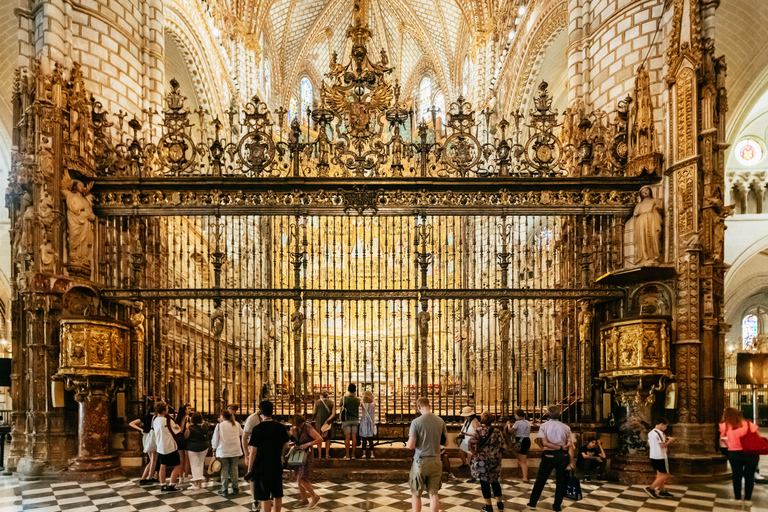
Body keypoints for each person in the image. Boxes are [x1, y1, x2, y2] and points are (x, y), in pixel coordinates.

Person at [526, 405, 575, 512]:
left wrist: (556, 446)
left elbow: (545, 444)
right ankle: (557, 506)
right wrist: (571, 461)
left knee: (541, 480)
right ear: (559, 414)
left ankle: (532, 503)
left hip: (549, 456)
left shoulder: (544, 426)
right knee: (561, 481)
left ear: (547, 414)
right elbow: (570, 445)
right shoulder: (566, 427)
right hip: (563, 456)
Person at [245, 400, 290, 512]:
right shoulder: (280, 427)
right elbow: (287, 445)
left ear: (261, 413)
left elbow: (253, 452)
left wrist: (250, 469)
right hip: (276, 464)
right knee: (277, 494)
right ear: (272, 411)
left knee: (264, 496)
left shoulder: (257, 429)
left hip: (262, 467)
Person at [407, 397, 448, 512]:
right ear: (429, 405)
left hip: (421, 461)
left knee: (416, 493)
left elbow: (411, 445)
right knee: (434, 493)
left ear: (418, 407)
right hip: (436, 460)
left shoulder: (416, 422)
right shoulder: (440, 421)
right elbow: (446, 442)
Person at [719, 408, 759, 503]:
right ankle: (748, 499)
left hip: (734, 452)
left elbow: (723, 440)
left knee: (737, 476)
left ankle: (737, 498)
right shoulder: (749, 424)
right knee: (749, 476)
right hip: (751, 453)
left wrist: (731, 444)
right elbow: (756, 437)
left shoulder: (724, 425)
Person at [469, 411, 505, 512]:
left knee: (484, 482)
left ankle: (488, 506)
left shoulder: (478, 430)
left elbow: (471, 444)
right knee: (495, 480)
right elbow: (503, 446)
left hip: (482, 460)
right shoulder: (497, 431)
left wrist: (474, 453)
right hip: (495, 460)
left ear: (482, 419)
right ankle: (499, 503)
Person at [289, 414, 323, 509]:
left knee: (302, 478)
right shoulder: (296, 429)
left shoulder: (307, 427)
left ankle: (314, 496)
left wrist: (308, 444)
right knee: (298, 477)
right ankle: (304, 499)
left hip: (306, 455)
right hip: (298, 454)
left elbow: (320, 439)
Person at [212, 409, 244, 496]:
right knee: (234, 469)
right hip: (235, 450)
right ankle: (235, 488)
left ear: (222, 417)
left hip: (223, 451)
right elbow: (242, 434)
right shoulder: (236, 424)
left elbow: (215, 440)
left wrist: (214, 450)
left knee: (224, 469)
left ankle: (224, 489)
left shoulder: (220, 426)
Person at [153, 401, 183, 492]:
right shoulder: (167, 420)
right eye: (166, 408)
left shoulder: (155, 419)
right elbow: (178, 430)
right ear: (164, 410)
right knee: (177, 464)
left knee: (163, 465)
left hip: (160, 446)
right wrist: (178, 426)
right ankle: (172, 485)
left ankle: (163, 485)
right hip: (169, 445)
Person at [645, 418, 675, 499]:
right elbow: (662, 445)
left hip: (653, 455)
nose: (665, 428)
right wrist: (671, 440)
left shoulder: (651, 433)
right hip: (660, 456)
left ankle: (663, 491)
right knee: (665, 476)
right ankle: (651, 488)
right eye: (665, 426)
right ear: (661, 424)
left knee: (659, 475)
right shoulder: (659, 433)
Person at [129, 402, 158, 485]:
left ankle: (143, 477)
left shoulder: (145, 417)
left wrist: (140, 429)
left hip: (146, 438)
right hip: (153, 438)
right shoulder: (156, 418)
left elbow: (131, 423)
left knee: (151, 460)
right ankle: (149, 478)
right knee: (153, 460)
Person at [185, 411, 210, 489]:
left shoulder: (191, 427)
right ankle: (200, 483)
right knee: (200, 463)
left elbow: (186, 436)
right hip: (204, 447)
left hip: (193, 447)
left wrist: (186, 427)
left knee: (194, 464)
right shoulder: (205, 426)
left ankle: (196, 483)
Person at [506, 409, 531, 483]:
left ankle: (525, 477)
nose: (515, 416)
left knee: (523, 461)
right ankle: (521, 473)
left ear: (518, 415)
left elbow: (510, 431)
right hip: (526, 440)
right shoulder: (528, 422)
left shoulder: (518, 423)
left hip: (520, 441)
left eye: (515, 415)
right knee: (521, 459)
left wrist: (508, 425)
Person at [458, 406, 480, 480]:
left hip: (471, 440)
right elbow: (464, 428)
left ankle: (472, 474)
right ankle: (465, 464)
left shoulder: (474, 421)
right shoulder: (467, 420)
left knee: (470, 457)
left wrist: (466, 434)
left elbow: (477, 433)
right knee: (461, 452)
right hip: (465, 439)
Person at [340, 384, 361, 460]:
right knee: (354, 437)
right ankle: (353, 454)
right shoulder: (357, 399)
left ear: (348, 389)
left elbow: (340, 406)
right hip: (355, 419)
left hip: (346, 420)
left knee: (347, 437)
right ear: (355, 390)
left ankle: (347, 454)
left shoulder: (344, 399)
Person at [313, 392, 335, 459]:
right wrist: (328, 420)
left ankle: (319, 455)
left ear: (321, 395)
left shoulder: (316, 402)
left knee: (319, 438)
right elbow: (333, 414)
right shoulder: (332, 402)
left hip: (319, 422)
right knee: (328, 438)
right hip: (328, 422)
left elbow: (314, 412)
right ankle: (327, 454)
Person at [176, 403, 191, 483]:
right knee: (186, 459)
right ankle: (185, 476)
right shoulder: (187, 418)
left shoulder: (177, 418)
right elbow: (181, 430)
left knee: (180, 459)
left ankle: (180, 477)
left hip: (178, 440)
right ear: (185, 410)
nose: (189, 410)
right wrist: (187, 427)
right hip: (185, 439)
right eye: (188, 408)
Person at [359, 390, 377, 459]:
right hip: (371, 423)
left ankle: (364, 454)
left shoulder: (363, 404)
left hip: (364, 423)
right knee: (370, 440)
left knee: (364, 440)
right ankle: (372, 454)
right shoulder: (373, 404)